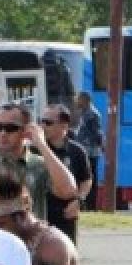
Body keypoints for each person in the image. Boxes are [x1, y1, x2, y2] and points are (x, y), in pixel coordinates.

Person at [0, 102, 77, 222]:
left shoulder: (38, 164)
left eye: (11, 128)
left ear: (26, 130)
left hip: (31, 237)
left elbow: (68, 190)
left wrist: (42, 144)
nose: (3, 133)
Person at [40, 104, 93, 242]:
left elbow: (86, 179)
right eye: (41, 121)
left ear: (64, 125)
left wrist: (79, 200)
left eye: (48, 122)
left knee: (65, 256)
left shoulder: (77, 151)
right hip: (39, 213)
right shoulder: (35, 149)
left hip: (65, 215)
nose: (43, 126)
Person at [72, 91, 103, 210]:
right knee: (82, 177)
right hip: (84, 150)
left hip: (90, 151)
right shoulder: (84, 113)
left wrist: (100, 145)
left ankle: (91, 205)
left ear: (85, 100)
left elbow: (97, 133)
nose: (76, 101)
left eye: (78, 99)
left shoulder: (93, 114)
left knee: (90, 178)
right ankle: (85, 204)